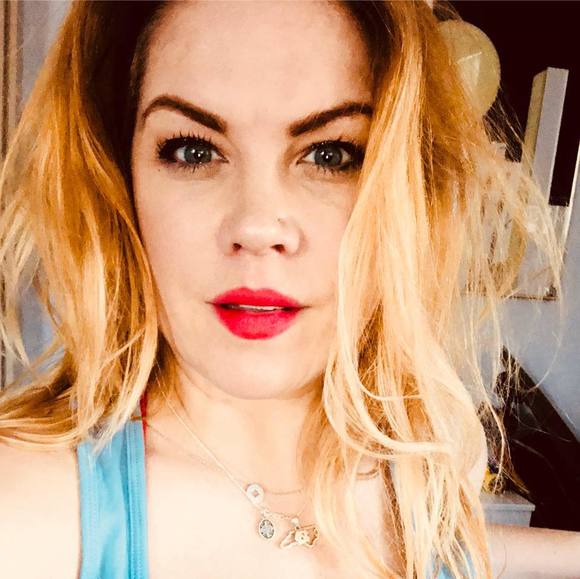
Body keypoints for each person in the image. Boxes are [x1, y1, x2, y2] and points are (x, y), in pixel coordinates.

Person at [0, 1, 578, 577]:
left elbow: (456, 552)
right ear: (122, 177)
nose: (257, 226)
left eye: (330, 154)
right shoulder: (29, 514)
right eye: (193, 151)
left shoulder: (421, 466)